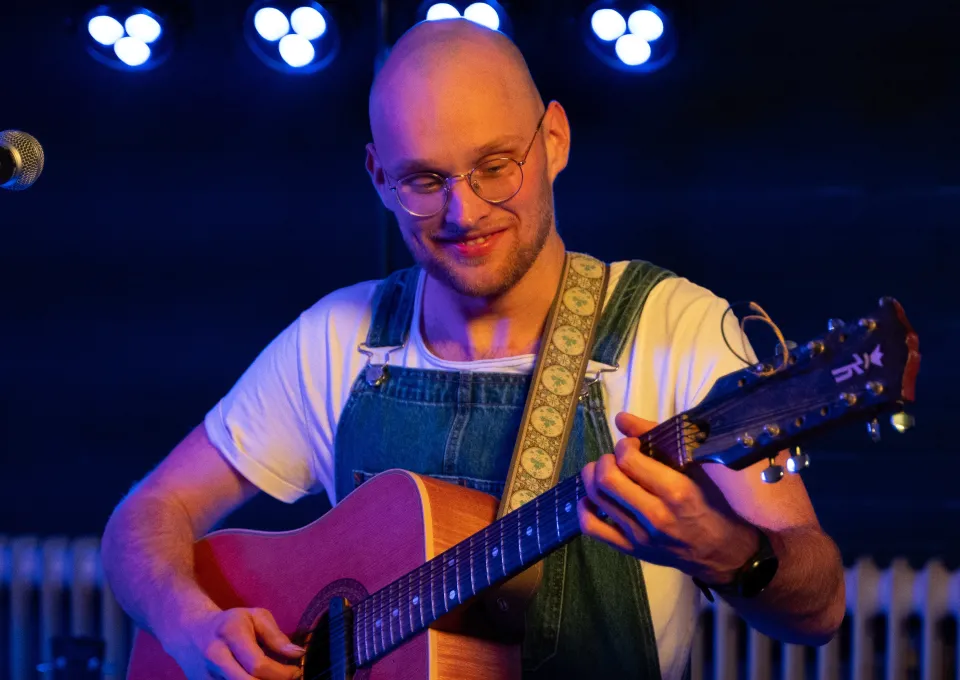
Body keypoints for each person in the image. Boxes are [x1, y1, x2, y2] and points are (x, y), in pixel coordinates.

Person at [101, 17, 845, 680]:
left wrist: (726, 551)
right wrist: (193, 627)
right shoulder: (337, 339)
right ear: (378, 178)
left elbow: (820, 612)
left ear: (553, 140)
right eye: (424, 179)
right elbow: (147, 514)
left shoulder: (673, 326)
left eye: (495, 165)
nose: (465, 210)